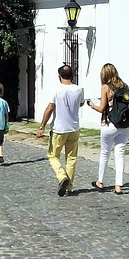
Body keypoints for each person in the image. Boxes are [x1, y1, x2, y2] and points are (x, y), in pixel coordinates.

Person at [34, 63, 85, 196]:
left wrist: (42, 126)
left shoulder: (56, 89)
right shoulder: (79, 89)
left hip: (59, 129)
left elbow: (50, 108)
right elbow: (81, 103)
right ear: (72, 75)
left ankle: (62, 176)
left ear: (59, 76)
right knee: (71, 158)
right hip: (74, 128)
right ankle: (70, 186)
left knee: (52, 155)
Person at [88, 63, 129, 195]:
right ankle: (119, 186)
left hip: (110, 124)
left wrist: (91, 105)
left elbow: (102, 108)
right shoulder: (125, 86)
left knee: (105, 153)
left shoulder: (106, 87)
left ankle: (100, 182)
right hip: (125, 125)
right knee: (120, 155)